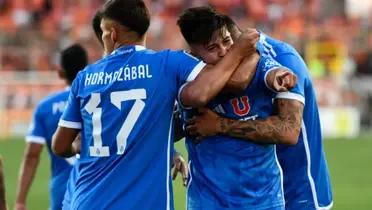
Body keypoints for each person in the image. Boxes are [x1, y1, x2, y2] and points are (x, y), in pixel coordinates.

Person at [51, 0, 259, 209]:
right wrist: (241, 50)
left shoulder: (84, 78)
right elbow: (222, 82)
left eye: (103, 33)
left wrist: (79, 145)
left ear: (112, 34)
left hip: (88, 201)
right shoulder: (167, 63)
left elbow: (59, 146)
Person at [183, 8, 333, 210]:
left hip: (300, 188)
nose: (225, 54)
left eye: (229, 46)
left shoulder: (283, 58)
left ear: (240, 44)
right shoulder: (202, 67)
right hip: (246, 192)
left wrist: (219, 125)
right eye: (214, 48)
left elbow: (289, 131)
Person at [14, 44, 88, 210]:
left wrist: (20, 201)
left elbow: (32, 155)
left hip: (61, 193)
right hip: (93, 188)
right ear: (87, 67)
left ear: (60, 72)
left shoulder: (45, 107)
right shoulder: (98, 100)